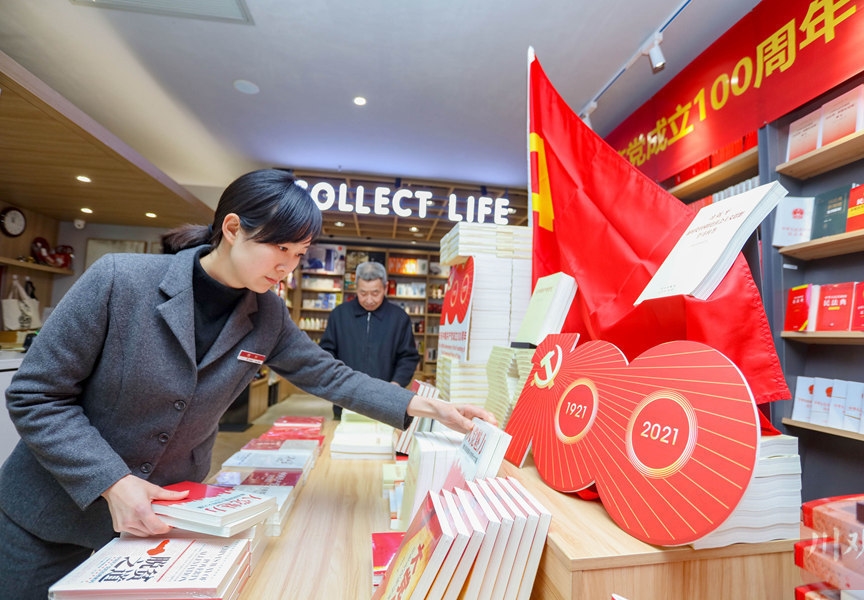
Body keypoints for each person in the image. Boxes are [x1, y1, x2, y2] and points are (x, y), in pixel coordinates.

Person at [0, 169, 495, 599]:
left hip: (161, 520)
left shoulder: (267, 314)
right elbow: (36, 394)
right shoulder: (119, 281)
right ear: (233, 228)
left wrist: (432, 409)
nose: (288, 267)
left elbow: (331, 375)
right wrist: (112, 482)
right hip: (49, 518)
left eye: (300, 253)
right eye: (280, 248)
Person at [320, 261, 420, 420]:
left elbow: (408, 357)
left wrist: (396, 383)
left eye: (375, 293)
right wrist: (336, 382)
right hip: (344, 399)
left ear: (385, 288)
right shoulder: (339, 315)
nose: (369, 300)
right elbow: (326, 352)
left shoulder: (399, 318)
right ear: (356, 288)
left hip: (386, 400)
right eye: (363, 293)